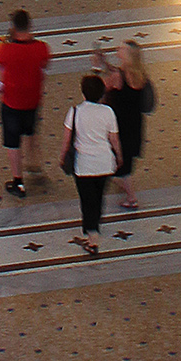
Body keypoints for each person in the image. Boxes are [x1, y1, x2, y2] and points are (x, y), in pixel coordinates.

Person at [59, 72, 120, 256]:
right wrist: (119, 156)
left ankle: (92, 238)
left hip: (83, 165)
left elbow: (67, 139)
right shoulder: (108, 112)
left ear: (83, 93)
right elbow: (114, 139)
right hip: (104, 163)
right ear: (101, 94)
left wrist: (62, 156)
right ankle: (94, 226)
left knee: (87, 201)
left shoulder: (75, 111)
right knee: (99, 197)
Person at [0, 9, 51, 197]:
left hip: (11, 103)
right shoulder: (41, 48)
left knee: (12, 142)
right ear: (29, 25)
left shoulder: (5, 50)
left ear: (12, 27)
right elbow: (45, 63)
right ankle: (34, 163)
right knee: (31, 131)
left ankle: (18, 181)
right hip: (33, 101)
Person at [100, 41, 155, 211]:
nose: (118, 49)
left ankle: (131, 197)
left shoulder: (118, 77)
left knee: (120, 162)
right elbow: (117, 74)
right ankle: (121, 181)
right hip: (134, 124)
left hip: (119, 125)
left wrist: (97, 68)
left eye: (121, 48)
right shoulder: (140, 75)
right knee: (127, 159)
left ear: (128, 55)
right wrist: (105, 64)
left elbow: (102, 88)